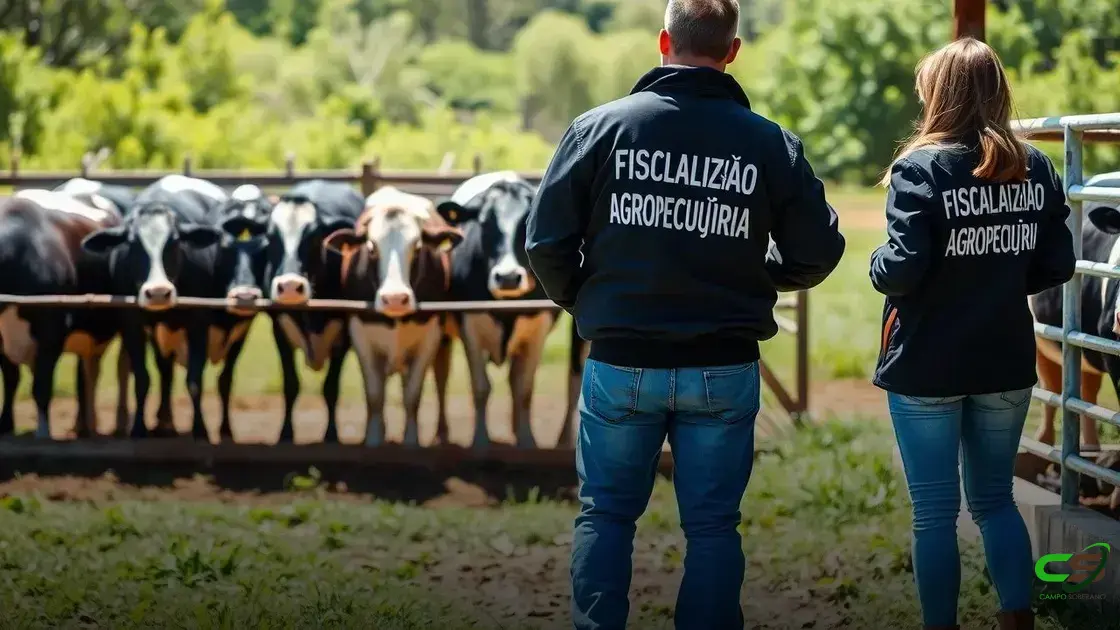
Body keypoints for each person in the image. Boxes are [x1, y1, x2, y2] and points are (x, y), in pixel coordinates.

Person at [524, 1, 846, 627]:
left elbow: (545, 244)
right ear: (733, 51)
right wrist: (759, 277)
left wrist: (589, 301)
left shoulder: (598, 129)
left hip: (621, 360)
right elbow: (819, 251)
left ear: (664, 41)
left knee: (606, 515)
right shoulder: (770, 144)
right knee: (714, 526)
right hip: (722, 367)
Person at [869, 37, 1075, 630]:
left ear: (939, 96)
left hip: (928, 363)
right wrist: (1004, 273)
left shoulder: (919, 168)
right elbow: (1056, 266)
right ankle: (1017, 619)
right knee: (994, 502)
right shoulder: (1033, 165)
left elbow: (901, 270)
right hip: (1005, 359)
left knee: (933, 514)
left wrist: (875, 266)